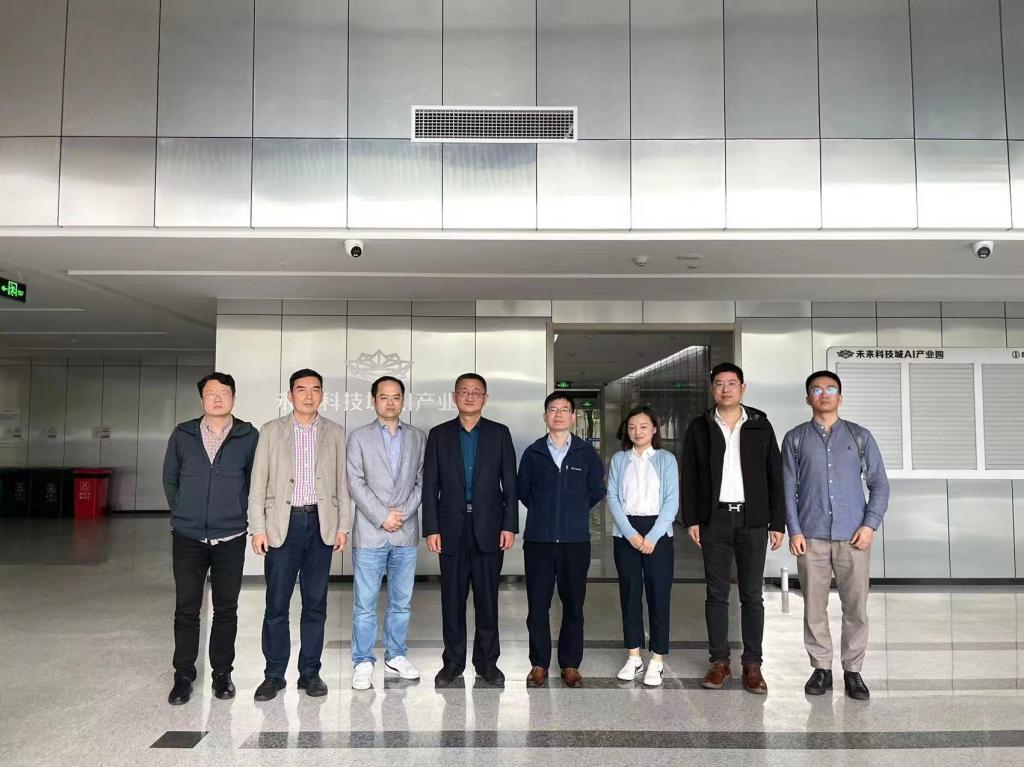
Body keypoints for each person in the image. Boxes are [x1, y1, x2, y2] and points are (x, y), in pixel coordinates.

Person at [782, 370, 889, 701]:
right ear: (808, 398)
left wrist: (869, 525)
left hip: (854, 536)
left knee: (855, 607)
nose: (824, 394)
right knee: (814, 607)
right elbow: (788, 488)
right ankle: (821, 668)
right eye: (817, 389)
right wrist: (794, 530)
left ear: (840, 397)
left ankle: (853, 671)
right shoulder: (795, 439)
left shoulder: (860, 437)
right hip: (811, 536)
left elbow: (880, 484)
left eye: (831, 389)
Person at [682, 362, 785, 694]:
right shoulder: (699, 426)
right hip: (714, 519)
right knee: (716, 593)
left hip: (752, 520)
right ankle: (720, 662)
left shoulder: (760, 425)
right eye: (719, 384)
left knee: (752, 594)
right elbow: (689, 476)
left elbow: (775, 475)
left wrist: (777, 521)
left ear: (742, 388)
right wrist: (691, 519)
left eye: (731, 383)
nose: (725, 389)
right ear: (712, 389)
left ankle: (752, 664)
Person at [248, 368, 350, 701]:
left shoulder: (335, 432)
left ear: (322, 395)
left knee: (316, 603)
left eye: (315, 389)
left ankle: (310, 673)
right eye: (301, 389)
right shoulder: (271, 431)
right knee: (277, 604)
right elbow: (258, 483)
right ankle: (274, 674)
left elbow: (342, 484)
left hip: (321, 524)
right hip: (282, 525)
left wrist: (342, 525)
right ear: (290, 395)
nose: (308, 395)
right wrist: (258, 528)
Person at [162, 372, 258, 705]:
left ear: (233, 398)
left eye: (224, 393)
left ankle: (222, 673)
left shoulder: (248, 435)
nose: (217, 398)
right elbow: (170, 478)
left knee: (226, 609)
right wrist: (182, 511)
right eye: (210, 393)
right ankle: (183, 674)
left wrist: (239, 511)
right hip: (188, 536)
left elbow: (255, 480)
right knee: (186, 608)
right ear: (202, 398)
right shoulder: (183, 434)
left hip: (230, 536)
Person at [422, 373, 518, 688]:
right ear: (454, 397)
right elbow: (430, 485)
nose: (470, 396)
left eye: (476, 392)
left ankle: (487, 663)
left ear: (485, 399)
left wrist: (509, 525)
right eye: (464, 391)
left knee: (487, 600)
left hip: (489, 527)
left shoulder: (499, 434)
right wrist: (431, 528)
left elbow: (510, 483)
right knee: (452, 600)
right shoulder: (439, 435)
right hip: (450, 528)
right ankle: (452, 663)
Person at [517, 392, 605, 688]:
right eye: (552, 410)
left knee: (574, 606)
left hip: (575, 542)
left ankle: (570, 664)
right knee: (537, 606)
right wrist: (544, 512)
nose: (558, 415)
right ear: (545, 416)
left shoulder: (585, 453)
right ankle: (538, 664)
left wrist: (573, 511)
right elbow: (523, 491)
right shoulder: (533, 453)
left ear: (573, 417)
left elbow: (596, 490)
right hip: (539, 542)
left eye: (564, 410)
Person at [346, 375, 426, 690]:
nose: (390, 402)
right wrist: (382, 516)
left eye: (396, 397)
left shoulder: (418, 437)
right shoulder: (359, 437)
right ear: (373, 400)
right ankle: (362, 661)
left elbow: (422, 480)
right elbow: (355, 481)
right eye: (384, 397)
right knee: (365, 603)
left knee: (401, 601)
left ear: (403, 401)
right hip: (370, 533)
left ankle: (396, 655)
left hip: (405, 533)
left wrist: (401, 514)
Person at [606, 405, 679, 687]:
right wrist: (630, 534)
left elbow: (671, 501)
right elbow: (612, 497)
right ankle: (634, 657)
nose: (637, 432)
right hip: (626, 533)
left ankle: (657, 660)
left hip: (658, 533)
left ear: (654, 429)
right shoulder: (619, 459)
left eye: (644, 427)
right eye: (632, 427)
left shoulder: (666, 459)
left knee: (659, 596)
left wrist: (653, 537)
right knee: (630, 595)